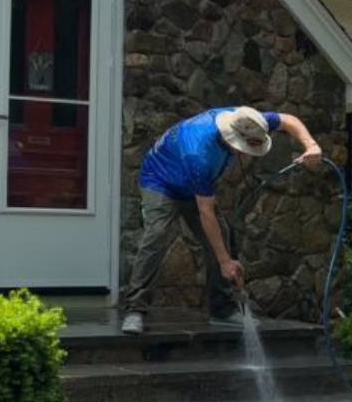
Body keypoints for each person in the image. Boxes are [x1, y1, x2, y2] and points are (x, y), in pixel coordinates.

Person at [122, 106, 323, 335]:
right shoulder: (199, 153)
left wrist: (311, 145)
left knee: (222, 235)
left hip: (194, 183)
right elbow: (206, 211)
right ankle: (134, 310)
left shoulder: (248, 120)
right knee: (156, 236)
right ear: (232, 138)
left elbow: (288, 120)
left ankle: (222, 310)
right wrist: (225, 262)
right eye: (244, 149)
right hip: (160, 181)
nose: (245, 154)